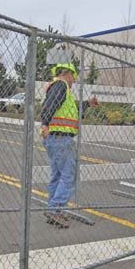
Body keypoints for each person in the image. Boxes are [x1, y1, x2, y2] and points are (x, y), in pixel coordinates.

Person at [39, 63, 98, 228]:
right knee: (68, 175)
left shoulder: (61, 89)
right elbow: (49, 106)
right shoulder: (61, 85)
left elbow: (69, 111)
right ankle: (56, 208)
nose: (74, 81)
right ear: (68, 74)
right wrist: (45, 123)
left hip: (55, 138)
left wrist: (87, 104)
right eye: (74, 77)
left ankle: (53, 209)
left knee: (57, 175)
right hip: (60, 138)